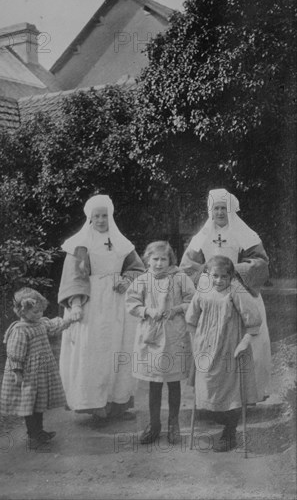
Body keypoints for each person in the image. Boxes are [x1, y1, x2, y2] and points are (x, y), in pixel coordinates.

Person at [58, 194, 145, 420]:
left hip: (118, 304)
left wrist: (126, 280)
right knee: (93, 352)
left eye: (104, 215)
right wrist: (76, 303)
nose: (100, 220)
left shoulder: (122, 242)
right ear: (89, 217)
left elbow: (137, 268)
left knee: (119, 350)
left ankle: (117, 404)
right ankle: (95, 405)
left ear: (110, 216)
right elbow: (74, 276)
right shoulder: (81, 243)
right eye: (96, 216)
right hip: (92, 303)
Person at [180, 188, 271, 401]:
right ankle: (212, 396)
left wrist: (234, 271)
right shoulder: (201, 237)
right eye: (216, 208)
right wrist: (207, 273)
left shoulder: (245, 235)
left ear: (230, 210)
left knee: (244, 343)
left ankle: (248, 394)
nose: (220, 212)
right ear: (210, 211)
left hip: (240, 290)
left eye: (223, 208)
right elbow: (187, 265)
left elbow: (260, 264)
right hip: (211, 292)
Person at [185, 255, 263, 452]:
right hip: (205, 348)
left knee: (231, 392)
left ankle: (230, 433)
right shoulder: (203, 289)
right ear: (207, 274)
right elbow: (191, 319)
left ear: (231, 277)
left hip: (230, 347)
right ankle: (223, 426)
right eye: (215, 276)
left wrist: (245, 343)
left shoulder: (236, 289)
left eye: (223, 277)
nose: (219, 280)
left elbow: (253, 320)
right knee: (208, 391)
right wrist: (195, 343)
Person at [126, 241, 195, 444]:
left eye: (163, 259)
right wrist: (147, 311)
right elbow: (131, 302)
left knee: (173, 382)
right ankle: (154, 424)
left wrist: (177, 309)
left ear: (170, 260)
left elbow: (193, 299)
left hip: (174, 333)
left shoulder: (180, 277)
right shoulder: (143, 279)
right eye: (154, 259)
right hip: (151, 335)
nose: (158, 263)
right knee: (154, 383)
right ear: (148, 259)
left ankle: (174, 424)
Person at [0, 287, 77, 450]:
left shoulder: (40, 324)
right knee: (30, 404)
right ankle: (33, 435)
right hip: (28, 373)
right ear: (22, 312)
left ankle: (39, 431)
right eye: (34, 312)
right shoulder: (20, 330)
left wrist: (69, 320)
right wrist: (17, 372)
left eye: (40, 311)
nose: (39, 315)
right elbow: (15, 353)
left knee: (39, 403)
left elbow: (54, 326)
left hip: (41, 372)